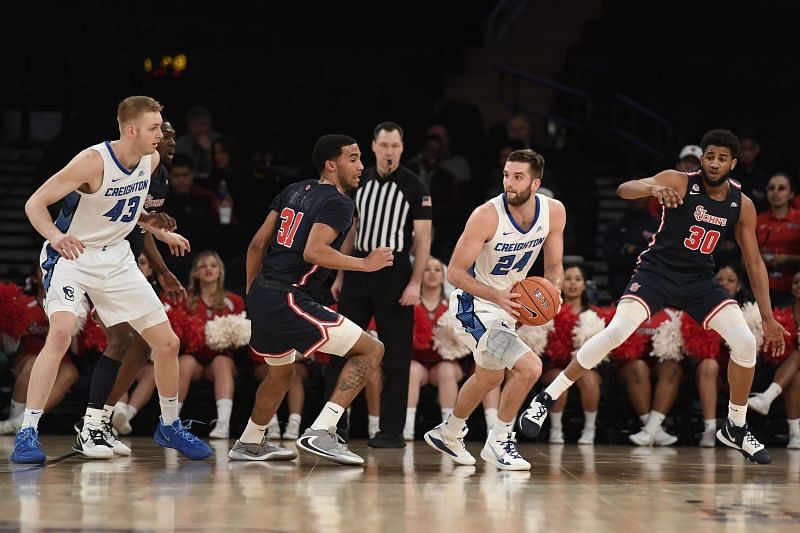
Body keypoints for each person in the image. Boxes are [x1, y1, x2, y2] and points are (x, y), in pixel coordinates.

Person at [519, 129, 789, 465]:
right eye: (710, 156)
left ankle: (735, 426)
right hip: (656, 273)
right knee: (616, 333)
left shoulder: (741, 204)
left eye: (722, 158)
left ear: (733, 163)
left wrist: (767, 317)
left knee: (746, 343)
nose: (715, 163)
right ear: (702, 159)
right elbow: (623, 189)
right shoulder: (678, 180)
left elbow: (753, 262)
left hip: (699, 280)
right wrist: (652, 187)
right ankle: (546, 397)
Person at [12, 96, 212, 464]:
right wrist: (56, 237)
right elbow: (34, 203)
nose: (162, 135)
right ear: (132, 130)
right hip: (74, 255)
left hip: (116, 256)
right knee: (60, 332)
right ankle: (27, 432)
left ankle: (169, 425)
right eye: (154, 128)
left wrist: (159, 232)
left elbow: (123, 211)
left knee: (167, 343)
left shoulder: (149, 160)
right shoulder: (92, 161)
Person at [227, 134, 392, 465]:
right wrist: (365, 263)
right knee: (372, 349)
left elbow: (257, 245)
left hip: (264, 292)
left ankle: (249, 442)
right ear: (332, 165)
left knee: (281, 375)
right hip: (289, 296)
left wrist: (253, 295)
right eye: (354, 158)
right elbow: (314, 251)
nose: (361, 166)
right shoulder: (339, 202)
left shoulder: (293, 190)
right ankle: (324, 430)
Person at [424, 148, 566, 470]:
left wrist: (553, 290)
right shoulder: (486, 215)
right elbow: (455, 273)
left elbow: (554, 266)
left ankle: (449, 432)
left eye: (518, 177)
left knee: (489, 377)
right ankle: (500, 441)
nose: (509, 183)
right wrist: (496, 296)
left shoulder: (554, 212)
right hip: (473, 306)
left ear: (536, 183)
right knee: (529, 367)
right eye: (506, 175)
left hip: (507, 308)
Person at [72, 118, 189, 458]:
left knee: (141, 346)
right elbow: (129, 221)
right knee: (123, 339)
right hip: (98, 262)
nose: (170, 142)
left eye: (173, 136)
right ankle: (91, 423)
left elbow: (140, 228)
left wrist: (164, 271)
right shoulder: (128, 169)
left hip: (125, 265)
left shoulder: (160, 178)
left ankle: (102, 420)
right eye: (164, 134)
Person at [329, 121, 433, 448]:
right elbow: (351, 229)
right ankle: (333, 424)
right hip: (359, 265)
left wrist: (415, 281)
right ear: (373, 146)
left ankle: (391, 431)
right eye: (384, 146)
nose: (389, 152)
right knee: (342, 347)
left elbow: (424, 237)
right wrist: (340, 274)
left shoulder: (415, 185)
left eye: (395, 146)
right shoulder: (360, 181)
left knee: (397, 355)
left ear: (402, 148)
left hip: (395, 270)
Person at [402, 256, 500, 441]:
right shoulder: (410, 303)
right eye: (427, 269)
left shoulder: (453, 306)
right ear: (420, 275)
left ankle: (449, 430)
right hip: (418, 363)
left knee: (446, 371)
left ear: (443, 275)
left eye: (437, 270)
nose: (432, 273)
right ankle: (406, 428)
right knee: (412, 370)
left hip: (447, 364)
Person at [173, 251, 245, 439]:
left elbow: (240, 338)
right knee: (185, 362)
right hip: (194, 359)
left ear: (220, 272)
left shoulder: (234, 301)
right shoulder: (185, 299)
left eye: (213, 266)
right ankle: (171, 422)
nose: (208, 270)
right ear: (195, 273)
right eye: (203, 266)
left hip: (220, 360)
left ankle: (223, 424)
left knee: (222, 362)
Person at [0, 267, 79, 434]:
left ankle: (18, 423)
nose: (49, 272)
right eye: (43, 269)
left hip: (61, 358)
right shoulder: (23, 304)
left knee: (70, 372)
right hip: (28, 354)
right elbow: (10, 348)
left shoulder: (73, 305)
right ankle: (16, 419)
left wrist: (76, 326)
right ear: (35, 278)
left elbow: (78, 350)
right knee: (33, 364)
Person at [542, 264, 602, 445]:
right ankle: (556, 430)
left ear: (585, 284)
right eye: (568, 279)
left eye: (578, 279)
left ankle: (590, 430)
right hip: (554, 366)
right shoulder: (548, 311)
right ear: (560, 283)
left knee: (589, 378)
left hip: (585, 368)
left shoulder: (595, 314)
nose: (572, 283)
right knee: (560, 377)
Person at [748, 270, 800, 449]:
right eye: (795, 283)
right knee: (796, 377)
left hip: (788, 367)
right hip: (785, 371)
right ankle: (796, 435)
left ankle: (767, 398)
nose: (799, 286)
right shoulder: (781, 313)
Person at [755, 173, 800, 308]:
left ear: (791, 194)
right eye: (771, 188)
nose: (775, 192)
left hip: (793, 288)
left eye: (781, 188)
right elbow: (744, 260)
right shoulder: (757, 220)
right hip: (761, 288)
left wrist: (788, 259)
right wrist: (758, 259)